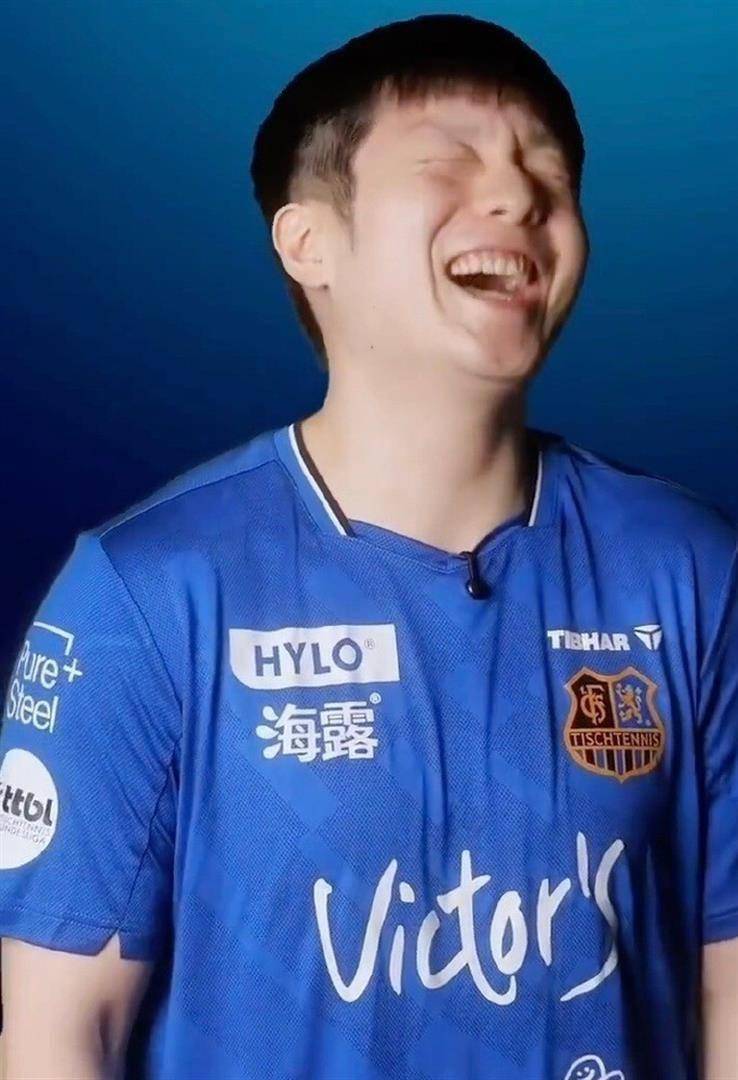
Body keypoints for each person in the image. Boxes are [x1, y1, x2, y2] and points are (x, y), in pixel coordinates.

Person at [0, 13, 736, 1079]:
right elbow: (64, 1035)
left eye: (547, 168)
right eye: (451, 159)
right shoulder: (145, 593)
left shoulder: (693, 568)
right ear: (309, 243)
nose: (519, 194)